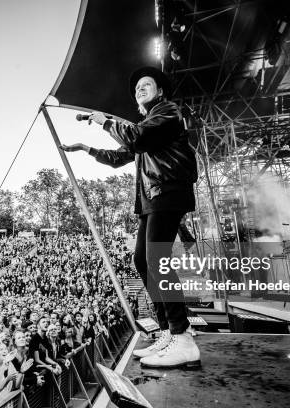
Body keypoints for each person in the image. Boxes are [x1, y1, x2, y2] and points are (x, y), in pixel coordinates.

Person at [60, 66, 200, 369]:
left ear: (160, 91)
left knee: (156, 261)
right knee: (141, 261)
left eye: (146, 84)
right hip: (152, 199)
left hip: (168, 192)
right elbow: (120, 156)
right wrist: (86, 148)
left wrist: (105, 121)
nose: (140, 88)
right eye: (137, 87)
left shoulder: (167, 112)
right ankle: (167, 331)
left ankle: (183, 337)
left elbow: (136, 138)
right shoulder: (147, 128)